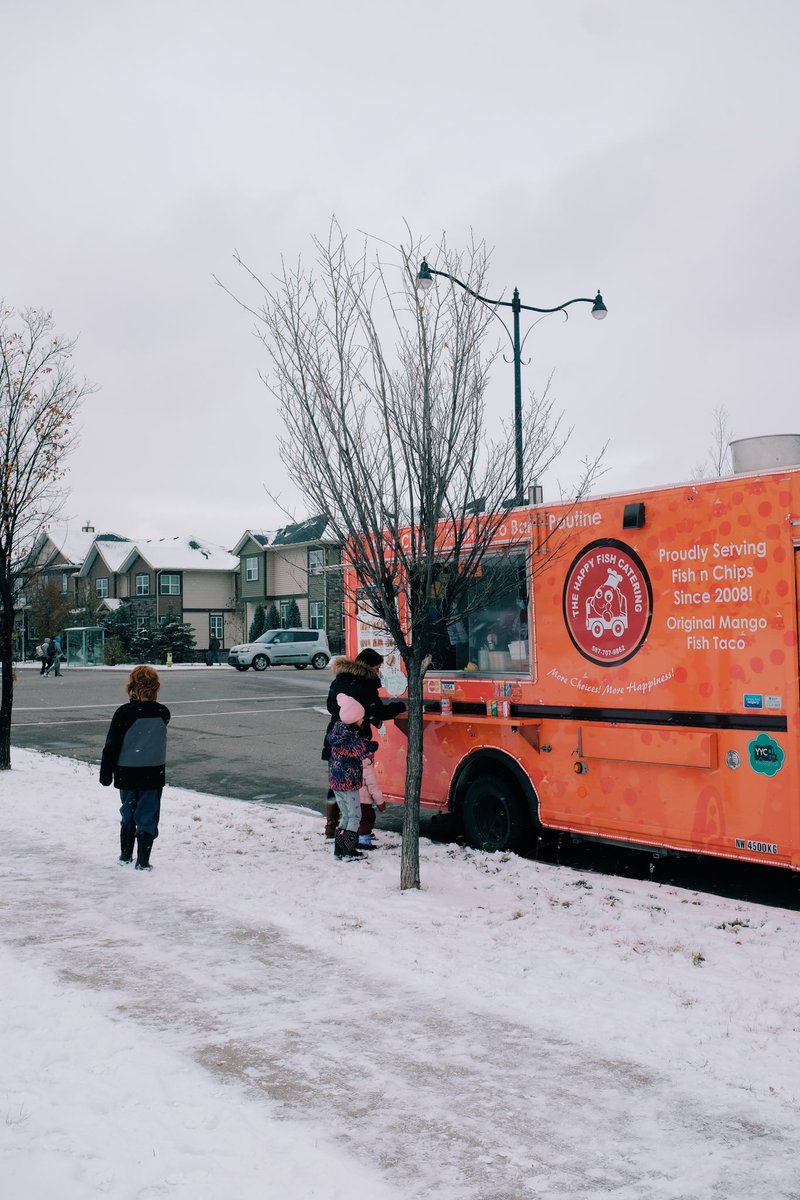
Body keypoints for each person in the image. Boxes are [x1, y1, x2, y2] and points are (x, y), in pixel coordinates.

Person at [321, 647, 406, 837]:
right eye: (377, 668)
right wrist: (399, 706)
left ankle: (331, 826)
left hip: (334, 736)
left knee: (336, 783)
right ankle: (355, 830)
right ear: (368, 666)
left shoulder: (340, 678)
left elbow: (329, 705)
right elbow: (376, 710)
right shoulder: (364, 683)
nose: (378, 672)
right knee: (354, 786)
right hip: (354, 739)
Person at [99, 665, 171, 871]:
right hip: (153, 772)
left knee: (128, 812)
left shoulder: (124, 713)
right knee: (148, 815)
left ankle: (125, 854)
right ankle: (143, 860)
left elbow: (111, 746)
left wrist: (106, 774)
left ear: (131, 687)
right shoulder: (162, 712)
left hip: (127, 771)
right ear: (155, 687)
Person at [327, 695, 376, 861]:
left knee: (346, 816)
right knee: (355, 816)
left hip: (336, 782)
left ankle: (338, 850)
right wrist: (371, 747)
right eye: (361, 717)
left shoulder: (338, 731)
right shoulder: (351, 738)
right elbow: (361, 752)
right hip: (349, 782)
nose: (363, 720)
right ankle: (349, 851)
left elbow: (355, 747)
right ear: (354, 718)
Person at [357, 751, 387, 850]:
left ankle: (353, 838)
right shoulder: (368, 769)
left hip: (351, 800)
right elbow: (374, 789)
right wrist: (381, 804)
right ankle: (364, 842)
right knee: (367, 819)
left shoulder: (351, 765)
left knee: (354, 820)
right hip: (364, 803)